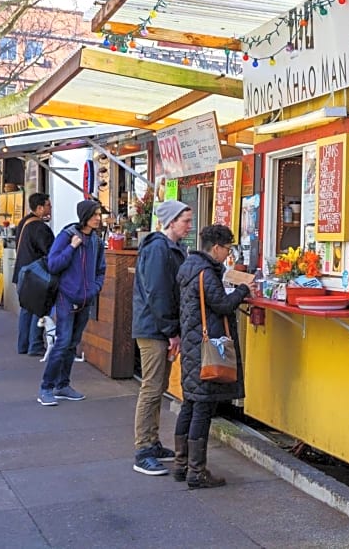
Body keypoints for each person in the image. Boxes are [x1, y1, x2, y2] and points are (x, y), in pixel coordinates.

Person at [174, 224, 251, 488]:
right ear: (216, 247)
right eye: (227, 248)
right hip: (207, 349)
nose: (227, 254)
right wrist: (244, 289)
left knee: (190, 404)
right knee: (202, 407)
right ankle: (196, 472)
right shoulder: (206, 272)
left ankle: (181, 464)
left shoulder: (188, 266)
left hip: (192, 345)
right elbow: (221, 304)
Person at [131, 200, 192, 476]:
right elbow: (158, 293)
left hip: (158, 327)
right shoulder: (159, 249)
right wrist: (171, 330)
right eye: (185, 221)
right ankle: (143, 449)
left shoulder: (170, 248)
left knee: (156, 386)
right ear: (170, 222)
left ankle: (152, 442)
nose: (189, 227)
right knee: (152, 388)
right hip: (154, 328)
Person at [37, 199, 105, 407]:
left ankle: (63, 385)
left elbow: (101, 269)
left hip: (85, 299)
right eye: (94, 214)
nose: (98, 218)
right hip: (66, 298)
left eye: (99, 214)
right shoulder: (68, 236)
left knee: (72, 344)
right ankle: (46, 388)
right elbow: (53, 264)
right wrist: (72, 248)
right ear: (84, 215)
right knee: (62, 343)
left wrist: (95, 288)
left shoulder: (96, 241)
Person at [13, 193, 54, 355]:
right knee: (39, 309)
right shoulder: (40, 228)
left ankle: (23, 345)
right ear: (40, 208)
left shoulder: (24, 222)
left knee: (26, 309)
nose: (50, 208)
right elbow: (50, 252)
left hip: (22, 273)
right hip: (36, 276)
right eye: (48, 205)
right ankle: (35, 345)